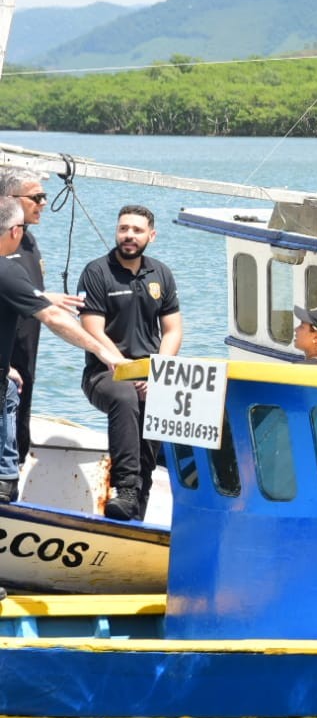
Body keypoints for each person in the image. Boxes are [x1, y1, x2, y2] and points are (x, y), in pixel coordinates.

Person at [0, 197, 127, 504]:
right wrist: (102, 350)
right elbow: (54, 318)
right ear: (16, 231)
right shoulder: (7, 269)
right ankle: (4, 486)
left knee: (7, 388)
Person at [78, 204, 182, 521]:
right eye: (124, 228)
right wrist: (125, 368)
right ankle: (124, 488)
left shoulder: (160, 273)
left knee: (156, 409)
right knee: (126, 397)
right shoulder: (97, 272)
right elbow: (92, 330)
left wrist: (158, 375)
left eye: (137, 230)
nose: (129, 235)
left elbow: (173, 330)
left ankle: (136, 509)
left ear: (151, 235)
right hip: (105, 373)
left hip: (150, 374)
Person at [0, 167, 80, 474]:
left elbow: (25, 293)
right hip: (7, 356)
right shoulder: (6, 244)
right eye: (37, 197)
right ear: (10, 199)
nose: (44, 203)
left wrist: (46, 296)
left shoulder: (29, 243)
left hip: (27, 351)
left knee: (20, 426)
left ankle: (15, 482)